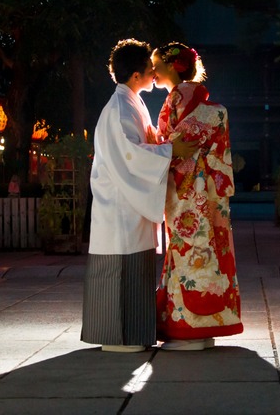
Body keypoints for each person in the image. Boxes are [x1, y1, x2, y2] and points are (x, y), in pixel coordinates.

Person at [81, 38, 195, 353]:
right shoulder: (120, 108)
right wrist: (172, 150)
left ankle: (132, 334)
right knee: (120, 270)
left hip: (128, 202)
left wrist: (164, 146)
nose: (154, 75)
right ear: (135, 76)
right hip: (120, 204)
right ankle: (120, 337)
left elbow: (143, 145)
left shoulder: (129, 102)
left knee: (132, 269)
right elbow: (131, 154)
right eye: (149, 70)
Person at [152, 42, 243, 350]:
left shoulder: (179, 97)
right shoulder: (202, 102)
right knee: (211, 251)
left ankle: (185, 327)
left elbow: (171, 144)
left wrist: (154, 144)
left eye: (157, 65)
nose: (153, 71)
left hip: (187, 189)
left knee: (186, 250)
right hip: (210, 189)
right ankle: (209, 324)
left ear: (173, 67)